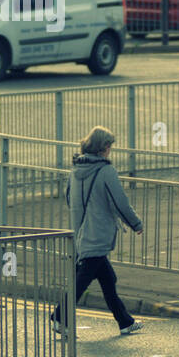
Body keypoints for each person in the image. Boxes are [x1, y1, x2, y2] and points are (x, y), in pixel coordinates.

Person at [51, 126, 145, 336]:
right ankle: (59, 316)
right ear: (103, 147)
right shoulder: (106, 171)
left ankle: (125, 321)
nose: (111, 150)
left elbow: (68, 198)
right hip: (98, 233)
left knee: (108, 279)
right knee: (81, 281)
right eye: (110, 146)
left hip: (81, 232)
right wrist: (136, 224)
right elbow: (120, 202)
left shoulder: (75, 170)